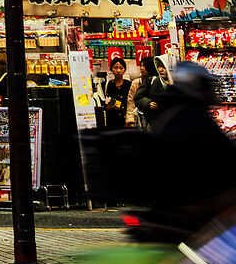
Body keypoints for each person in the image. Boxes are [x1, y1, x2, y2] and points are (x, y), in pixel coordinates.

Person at [142, 60, 236, 227]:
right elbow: (222, 152)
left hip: (171, 196)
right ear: (198, 86)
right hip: (191, 200)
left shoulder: (169, 109)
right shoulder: (192, 115)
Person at [99, 56, 133, 131]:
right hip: (110, 122)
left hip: (126, 122)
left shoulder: (130, 85)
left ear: (125, 70)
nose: (118, 71)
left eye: (121, 68)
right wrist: (107, 107)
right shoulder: (105, 85)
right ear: (111, 69)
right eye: (115, 68)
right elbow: (100, 103)